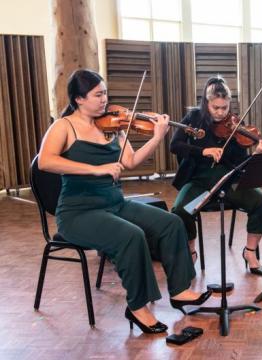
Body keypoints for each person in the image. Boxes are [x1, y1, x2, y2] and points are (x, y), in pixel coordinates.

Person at [38, 69, 212, 333]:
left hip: (115, 204)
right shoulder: (65, 126)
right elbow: (45, 161)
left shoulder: (113, 126)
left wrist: (157, 137)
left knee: (171, 223)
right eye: (98, 94)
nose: (104, 99)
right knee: (131, 235)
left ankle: (180, 290)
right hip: (78, 213)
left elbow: (130, 161)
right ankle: (137, 307)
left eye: (105, 92)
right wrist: (96, 169)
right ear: (78, 99)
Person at [171, 76, 262, 276]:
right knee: (181, 211)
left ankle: (250, 252)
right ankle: (191, 252)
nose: (220, 113)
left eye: (224, 108)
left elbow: (241, 165)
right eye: (215, 107)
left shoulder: (235, 126)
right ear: (206, 103)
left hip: (228, 183)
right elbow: (174, 146)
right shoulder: (193, 118)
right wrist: (203, 151)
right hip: (199, 183)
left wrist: (257, 154)